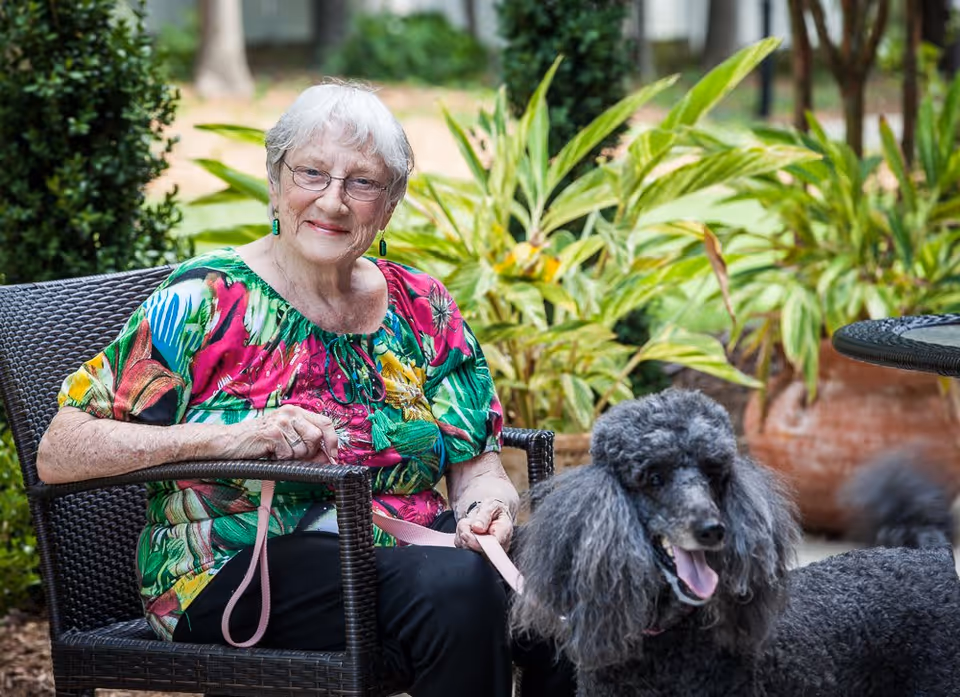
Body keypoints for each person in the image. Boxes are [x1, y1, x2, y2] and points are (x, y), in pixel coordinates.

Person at [36, 81, 575, 697]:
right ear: (275, 181)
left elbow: (476, 465)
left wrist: (489, 509)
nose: (334, 201)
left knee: (569, 575)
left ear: (390, 204)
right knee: (455, 590)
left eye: (362, 183)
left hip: (414, 551)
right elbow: (61, 449)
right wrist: (234, 438)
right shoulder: (204, 300)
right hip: (232, 569)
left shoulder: (422, 305)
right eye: (312, 173)